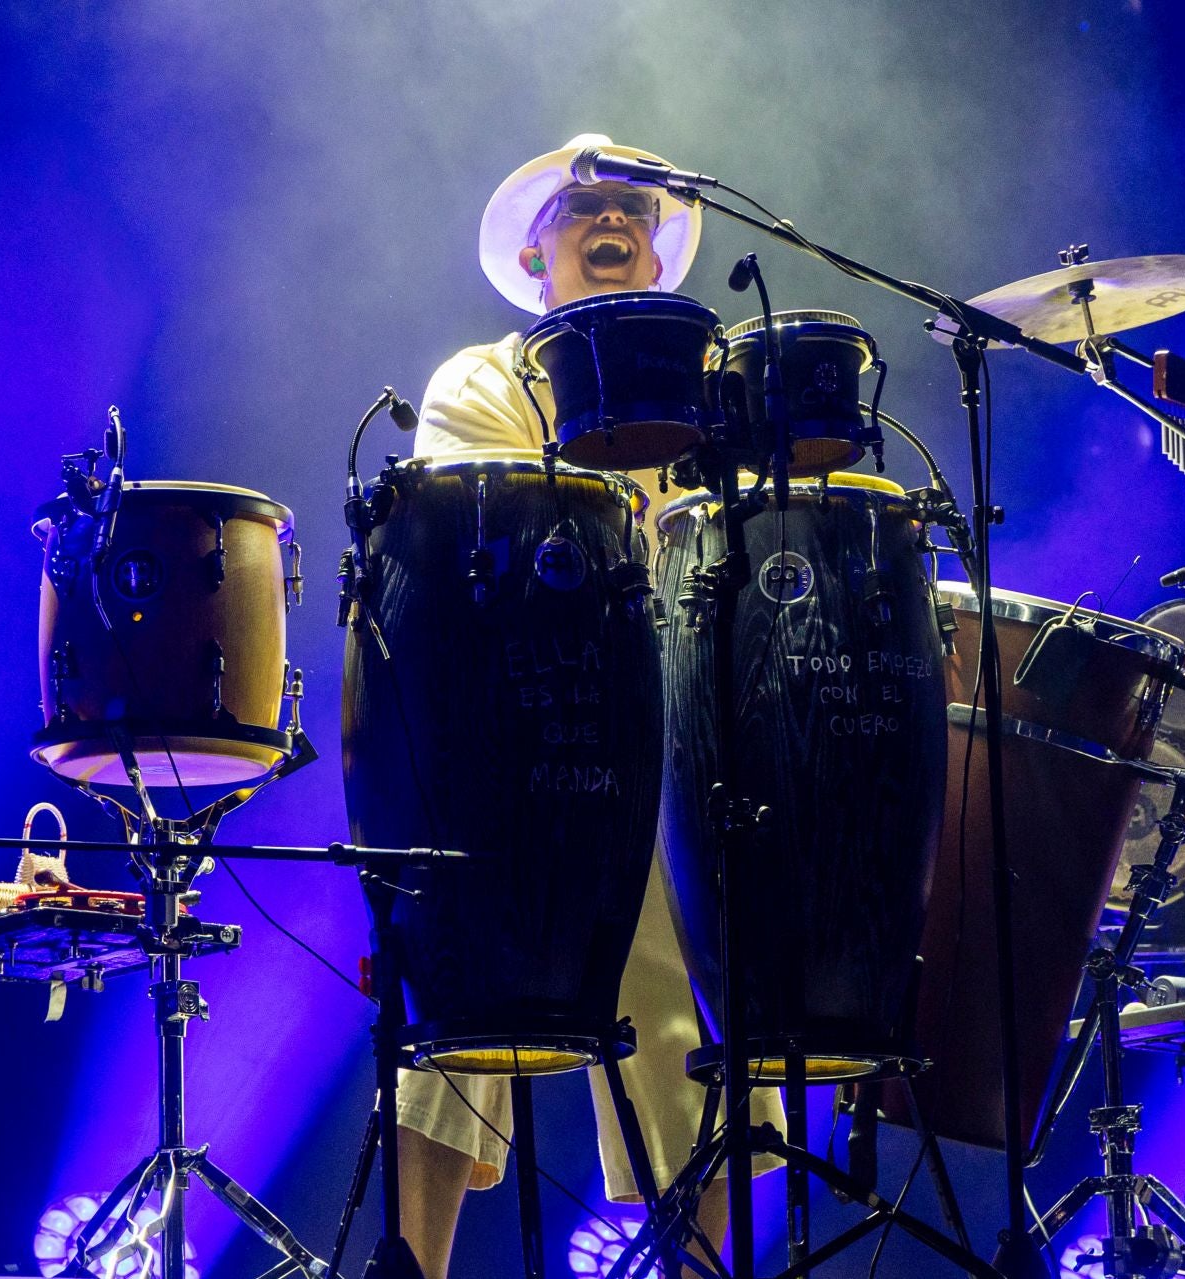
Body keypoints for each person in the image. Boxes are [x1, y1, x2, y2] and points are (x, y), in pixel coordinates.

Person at [396, 133, 784, 1279]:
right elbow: (481, 544)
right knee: (451, 1032)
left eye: (631, 209)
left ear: (657, 249)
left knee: (695, 1039)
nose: (613, 221)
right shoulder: (483, 379)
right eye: (583, 210)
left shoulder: (715, 403)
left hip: (669, 743)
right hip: (516, 748)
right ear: (535, 251)